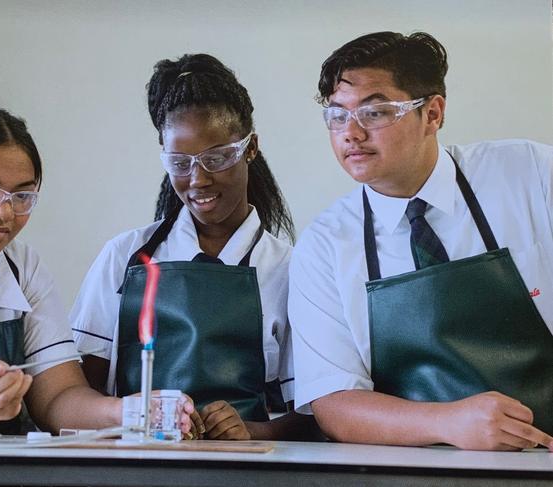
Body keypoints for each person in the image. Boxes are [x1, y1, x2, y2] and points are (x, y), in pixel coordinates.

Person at [289, 31, 553, 451]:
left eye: (374, 113)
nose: (351, 134)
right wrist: (450, 423)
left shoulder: (530, 175)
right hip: (411, 469)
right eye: (338, 116)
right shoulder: (324, 246)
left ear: (432, 114)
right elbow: (334, 402)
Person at [0, 102, 194, 437]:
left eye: (22, 195)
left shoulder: (21, 266)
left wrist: (132, 411)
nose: (4, 212)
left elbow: (58, 397)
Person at [71, 54, 319, 440]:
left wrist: (251, 431)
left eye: (216, 158)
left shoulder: (290, 269)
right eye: (180, 162)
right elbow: (78, 394)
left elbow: (312, 415)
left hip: (249, 472)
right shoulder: (125, 257)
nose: (198, 179)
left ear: (250, 148)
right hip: (138, 466)